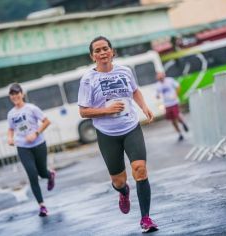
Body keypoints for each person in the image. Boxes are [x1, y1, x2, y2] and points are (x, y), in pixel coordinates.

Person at [78, 36, 158, 233]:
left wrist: (144, 107)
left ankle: (146, 218)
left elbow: (135, 91)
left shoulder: (125, 71)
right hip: (107, 134)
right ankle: (123, 192)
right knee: (119, 181)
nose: (102, 52)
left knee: (140, 169)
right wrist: (107, 110)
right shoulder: (88, 79)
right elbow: (83, 111)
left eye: (105, 48)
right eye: (97, 50)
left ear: (112, 51)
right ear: (92, 56)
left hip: (131, 127)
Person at [7, 83, 55, 217]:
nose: (15, 96)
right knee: (32, 175)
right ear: (10, 97)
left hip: (39, 144)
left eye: (17, 93)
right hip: (23, 147)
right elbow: (10, 129)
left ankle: (50, 175)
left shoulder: (31, 108)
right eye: (12, 94)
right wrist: (10, 139)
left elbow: (46, 121)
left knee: (42, 172)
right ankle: (42, 206)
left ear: (22, 94)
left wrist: (36, 133)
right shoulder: (11, 114)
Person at [156, 72, 188, 141]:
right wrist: (158, 96)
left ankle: (183, 123)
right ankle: (180, 134)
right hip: (167, 104)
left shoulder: (170, 80)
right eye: (158, 76)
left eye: (161, 75)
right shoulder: (158, 85)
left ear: (164, 75)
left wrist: (175, 95)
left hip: (174, 102)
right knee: (173, 120)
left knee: (177, 116)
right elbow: (157, 94)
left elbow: (178, 87)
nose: (160, 77)